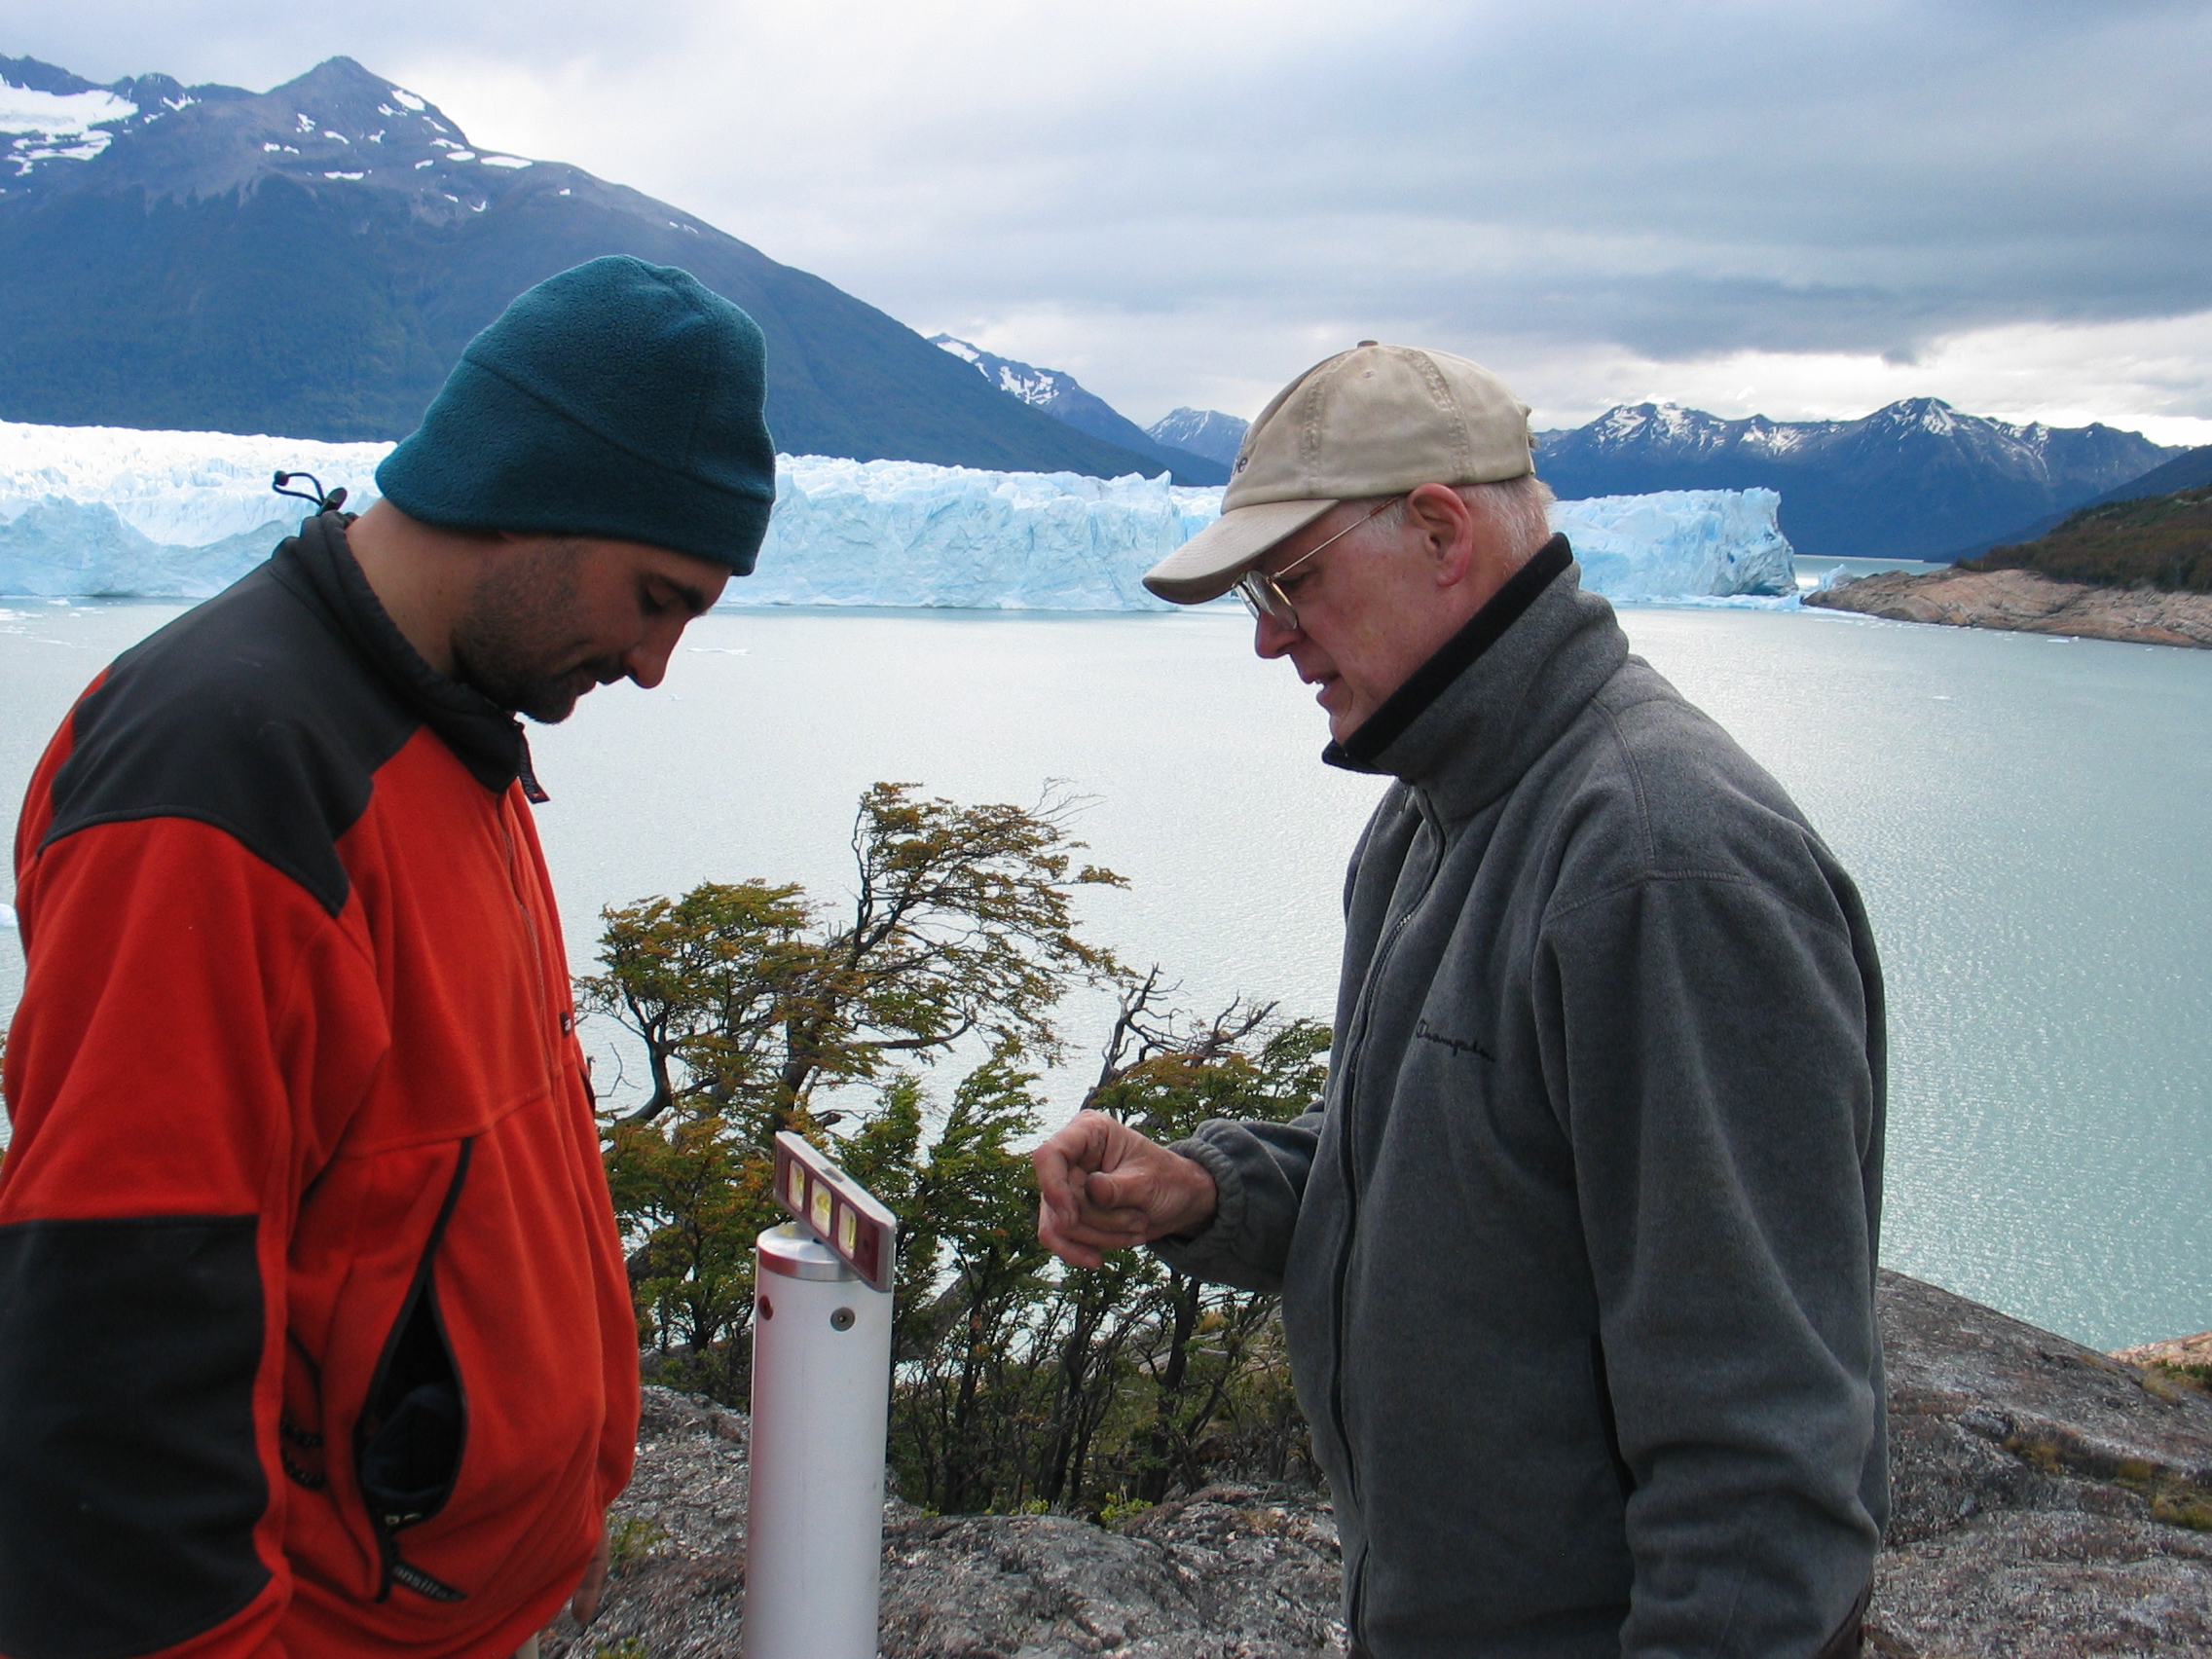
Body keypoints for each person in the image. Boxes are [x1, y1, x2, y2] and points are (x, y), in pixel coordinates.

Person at [1034, 344, 1886, 1658]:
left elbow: (1763, 1463)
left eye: (1289, 579)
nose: (1266, 634)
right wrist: (1209, 1191)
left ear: (1439, 530)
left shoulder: (1659, 863)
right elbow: (1451, 1169)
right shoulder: (1434, 815)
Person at [0, 255, 775, 1658]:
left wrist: (551, 1520)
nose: (655, 664)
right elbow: (122, 1323)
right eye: (658, 597)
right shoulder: (226, 771)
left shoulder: (448, 731)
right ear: (539, 493)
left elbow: (442, 1188)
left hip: (439, 1609)